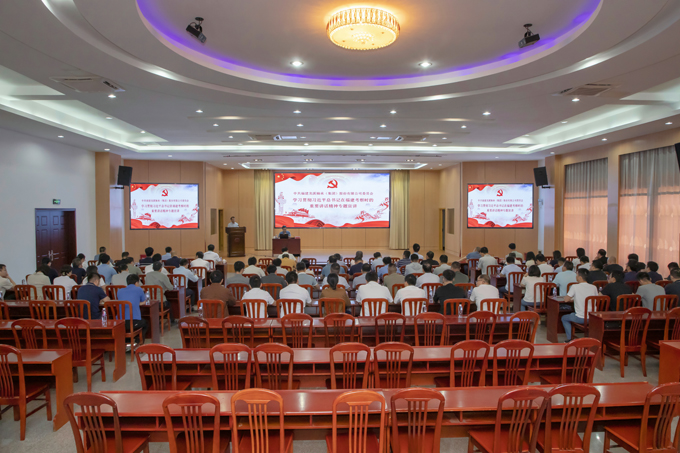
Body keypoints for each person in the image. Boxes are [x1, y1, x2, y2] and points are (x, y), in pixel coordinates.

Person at [562, 269, 598, 341]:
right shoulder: (593, 287)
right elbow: (596, 299)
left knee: (564, 318)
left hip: (580, 318)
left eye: (577, 275)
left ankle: (570, 339)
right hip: (593, 317)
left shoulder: (575, 287)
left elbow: (566, 300)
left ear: (580, 278)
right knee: (572, 314)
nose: (576, 276)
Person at [116, 274, 149, 340]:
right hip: (133, 322)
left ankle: (127, 341)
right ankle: (138, 341)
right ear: (136, 283)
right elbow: (143, 301)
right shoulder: (139, 289)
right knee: (146, 323)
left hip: (119, 322)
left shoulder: (119, 291)